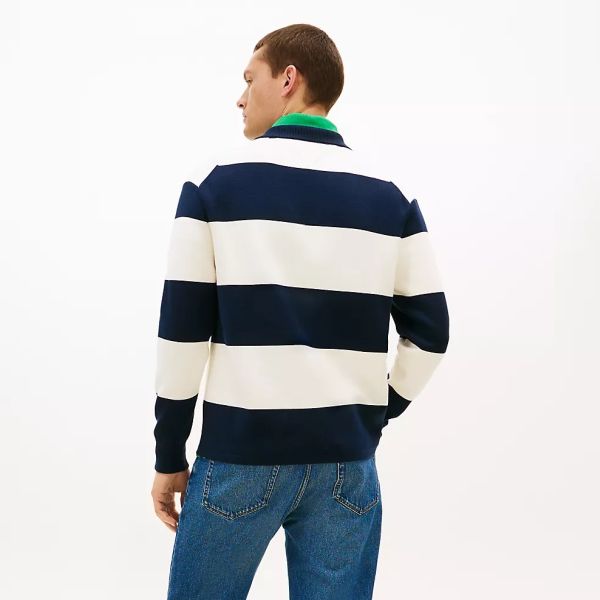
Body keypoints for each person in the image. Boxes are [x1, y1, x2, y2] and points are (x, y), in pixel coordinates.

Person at [150, 23, 450, 600]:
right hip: (346, 465)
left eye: (250, 80)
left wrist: (169, 455)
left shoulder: (214, 184)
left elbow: (181, 338)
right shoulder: (390, 195)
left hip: (239, 457)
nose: (240, 98)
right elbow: (432, 335)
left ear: (288, 79)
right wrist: (372, 413)